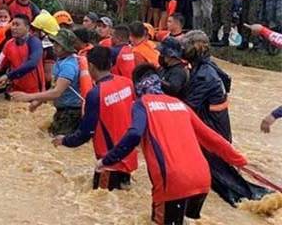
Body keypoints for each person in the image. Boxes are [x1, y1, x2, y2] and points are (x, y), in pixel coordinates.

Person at [97, 64, 247, 225]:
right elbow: (211, 138)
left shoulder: (141, 105)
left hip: (173, 182)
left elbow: (134, 134)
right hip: (202, 179)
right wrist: (239, 160)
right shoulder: (180, 104)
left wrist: (107, 160)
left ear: (137, 87)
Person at [181, 30, 269, 204]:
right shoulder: (207, 67)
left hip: (212, 133)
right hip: (217, 128)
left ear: (195, 49)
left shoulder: (204, 75)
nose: (182, 49)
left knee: (228, 185)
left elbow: (185, 106)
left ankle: (260, 200)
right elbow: (226, 82)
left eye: (185, 46)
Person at [52, 46, 138, 191]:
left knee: (102, 203)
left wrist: (64, 140)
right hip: (128, 156)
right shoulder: (127, 83)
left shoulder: (95, 94)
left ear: (91, 66)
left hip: (109, 161)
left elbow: (85, 133)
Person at [10, 29, 83, 135]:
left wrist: (29, 97)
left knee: (58, 142)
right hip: (64, 110)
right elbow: (54, 86)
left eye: (58, 44)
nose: (54, 46)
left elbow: (57, 92)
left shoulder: (68, 66)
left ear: (66, 48)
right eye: (54, 43)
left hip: (70, 113)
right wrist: (38, 102)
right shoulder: (61, 60)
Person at [0, 14, 45, 94]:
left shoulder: (35, 42)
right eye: (13, 24)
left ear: (27, 28)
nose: (13, 28)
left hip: (34, 93)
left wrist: (9, 76)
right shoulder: (9, 44)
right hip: (16, 91)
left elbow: (32, 63)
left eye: (17, 25)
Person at [31, 10, 60, 87]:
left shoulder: (49, 51)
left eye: (35, 30)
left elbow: (48, 77)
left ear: (43, 33)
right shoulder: (37, 45)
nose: (33, 33)